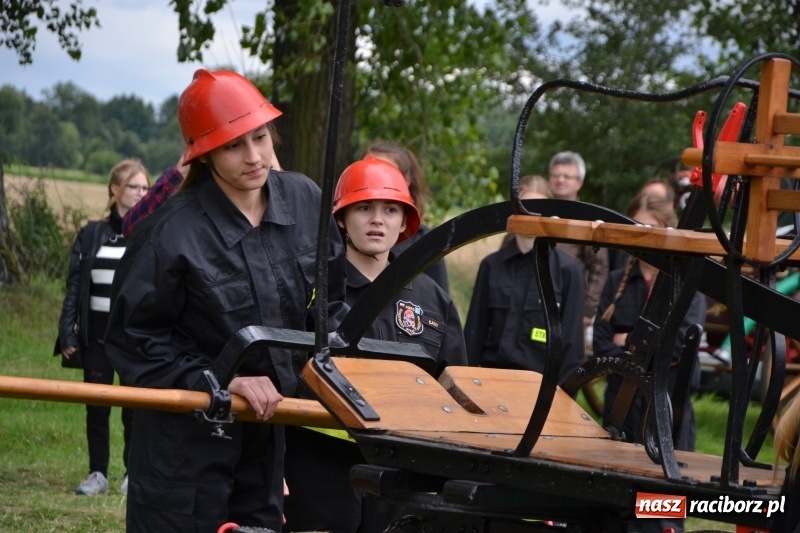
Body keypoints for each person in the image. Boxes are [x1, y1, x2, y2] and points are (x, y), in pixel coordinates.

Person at [104, 68, 348, 532]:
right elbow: (133, 340)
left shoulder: (305, 202)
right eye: (234, 146)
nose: (254, 157)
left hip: (268, 443)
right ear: (203, 154)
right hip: (184, 451)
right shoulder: (168, 233)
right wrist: (216, 378)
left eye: (260, 137)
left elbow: (330, 303)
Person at [283, 155, 468, 533]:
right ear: (341, 218)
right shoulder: (310, 291)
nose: (377, 219)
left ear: (405, 222)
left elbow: (457, 383)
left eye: (389, 209)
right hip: (319, 469)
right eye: (364, 207)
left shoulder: (433, 300)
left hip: (403, 472)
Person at [592, 192, 705, 533]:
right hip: (622, 402)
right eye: (636, 226)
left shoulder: (687, 286)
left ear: (667, 229)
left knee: (661, 500)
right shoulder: (617, 282)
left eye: (650, 227)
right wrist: (641, 344)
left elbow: (679, 345)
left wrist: (625, 339)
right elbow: (599, 342)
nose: (643, 233)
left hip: (666, 403)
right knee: (618, 494)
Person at [55, 158, 151, 496]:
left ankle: (131, 474)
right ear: (115, 189)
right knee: (97, 407)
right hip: (95, 336)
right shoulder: (92, 233)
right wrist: (68, 332)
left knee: (133, 411)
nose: (141, 193)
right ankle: (97, 473)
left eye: (145, 187)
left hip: (132, 338)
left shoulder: (146, 231)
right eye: (134, 186)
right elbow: (74, 288)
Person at [463, 175, 585, 383]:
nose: (531, 217)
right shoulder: (491, 266)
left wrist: (558, 401)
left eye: (538, 210)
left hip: (539, 388)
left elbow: (571, 349)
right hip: (489, 381)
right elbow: (473, 336)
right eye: (525, 208)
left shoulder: (569, 271)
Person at [366, 140, 450, 292]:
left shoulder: (428, 244)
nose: (374, 179)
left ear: (405, 182)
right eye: (367, 170)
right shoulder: (340, 238)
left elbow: (437, 306)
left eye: (384, 172)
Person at [548, 151, 609, 329]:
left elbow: (599, 267)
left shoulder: (588, 219)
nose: (560, 180)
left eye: (567, 176)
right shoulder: (533, 213)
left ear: (579, 182)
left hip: (570, 304)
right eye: (556, 175)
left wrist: (588, 310)